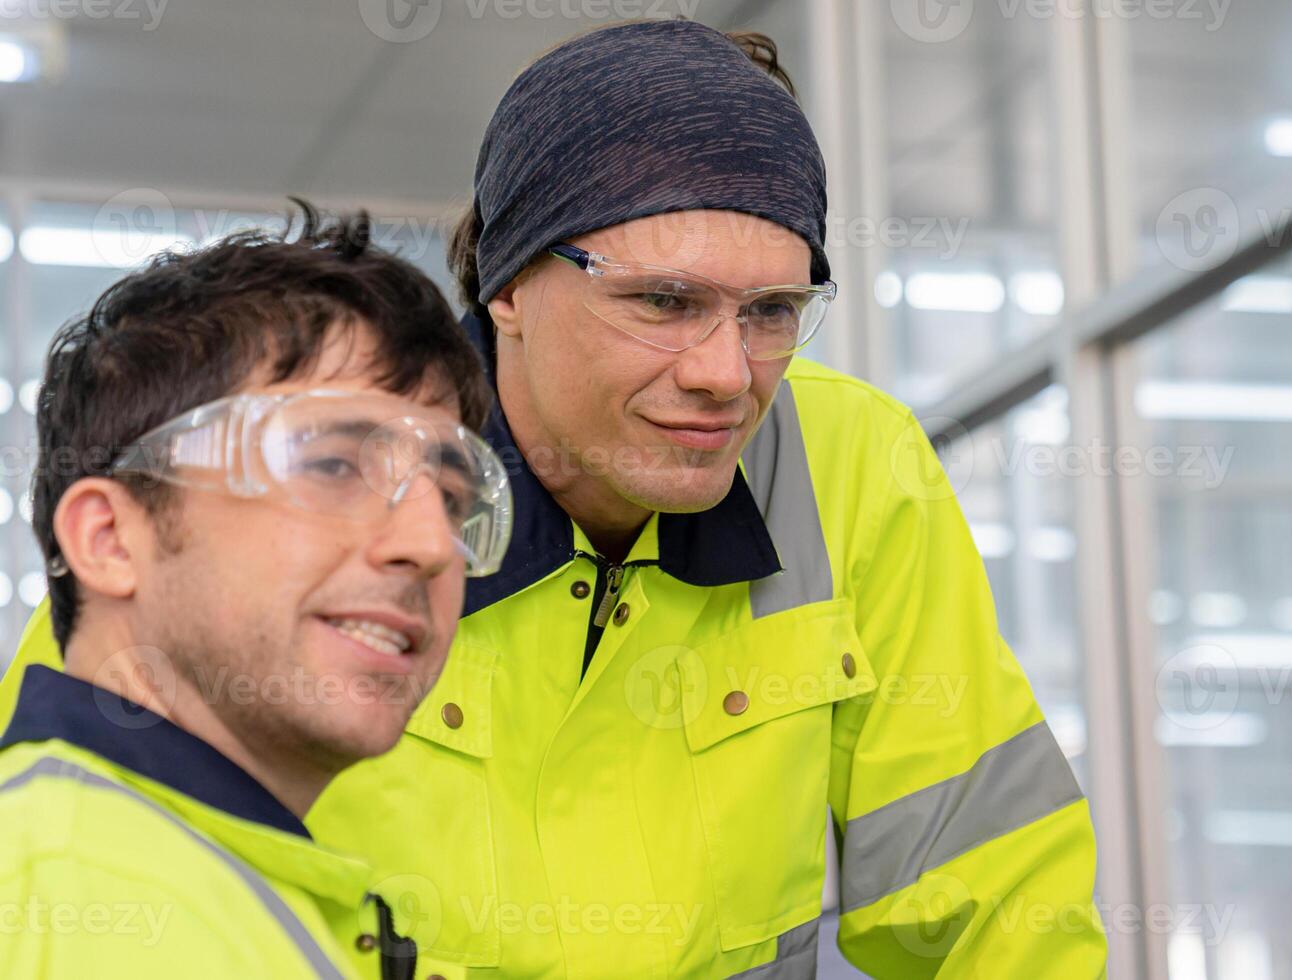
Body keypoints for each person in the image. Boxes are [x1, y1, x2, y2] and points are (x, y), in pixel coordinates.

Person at [3, 19, 1107, 979]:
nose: (727, 371)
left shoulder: (851, 465)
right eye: (664, 301)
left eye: (771, 310)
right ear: (512, 285)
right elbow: (82, 816)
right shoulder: (296, 467)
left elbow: (999, 895)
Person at [0, 205, 510, 978]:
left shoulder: (214, 878)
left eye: (446, 497)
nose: (430, 546)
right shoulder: (76, 897)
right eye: (335, 468)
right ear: (110, 540)